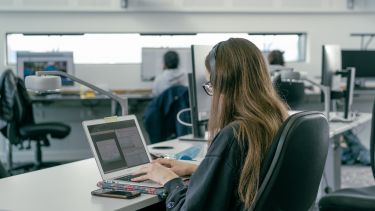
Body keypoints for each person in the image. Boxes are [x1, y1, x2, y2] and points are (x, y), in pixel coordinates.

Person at [133, 38, 289, 210]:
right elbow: (242, 173)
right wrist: (198, 169)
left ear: (225, 84)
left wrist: (168, 179)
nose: (212, 93)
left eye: (211, 85)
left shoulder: (234, 134)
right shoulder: (276, 120)